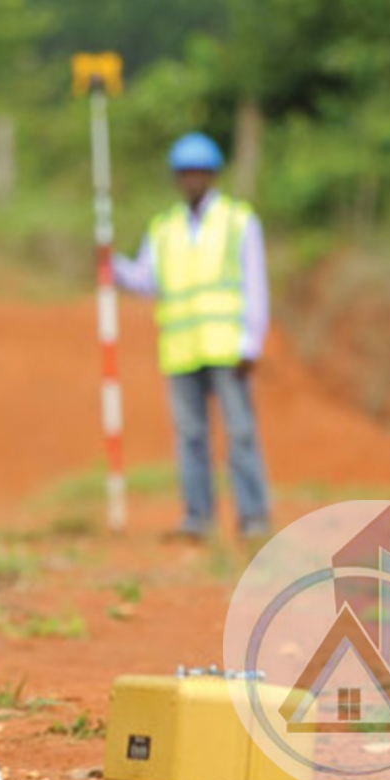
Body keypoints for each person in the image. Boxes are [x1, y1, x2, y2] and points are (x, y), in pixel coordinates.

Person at [113, 132, 271, 542]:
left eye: (199, 171)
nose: (192, 179)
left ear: (213, 174)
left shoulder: (239, 221)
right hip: (181, 351)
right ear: (176, 177)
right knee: (190, 439)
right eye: (185, 172)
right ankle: (197, 517)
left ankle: (253, 516)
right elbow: (147, 281)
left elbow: (256, 284)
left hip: (228, 348)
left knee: (240, 434)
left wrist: (252, 342)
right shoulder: (164, 229)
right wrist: (110, 264)